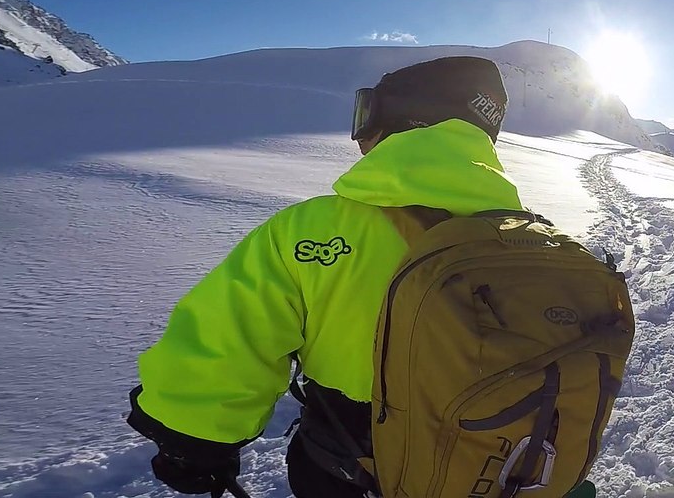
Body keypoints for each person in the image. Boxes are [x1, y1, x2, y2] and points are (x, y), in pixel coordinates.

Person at [128, 55, 521, 498]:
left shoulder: (308, 230)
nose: (360, 138)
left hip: (356, 468)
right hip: (509, 466)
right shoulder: (537, 240)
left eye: (367, 117)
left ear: (404, 122)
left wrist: (191, 440)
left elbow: (229, 343)